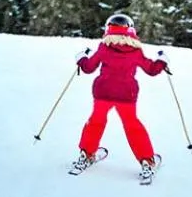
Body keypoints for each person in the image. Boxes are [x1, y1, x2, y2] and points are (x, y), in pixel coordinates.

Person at [70, 13, 167, 181]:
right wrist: (162, 61)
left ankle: (86, 154)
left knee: (96, 121)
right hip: (126, 95)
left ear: (108, 29)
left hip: (103, 92)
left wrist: (81, 58)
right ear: (130, 30)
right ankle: (147, 161)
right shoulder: (135, 51)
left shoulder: (104, 48)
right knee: (132, 125)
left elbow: (88, 68)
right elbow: (151, 70)